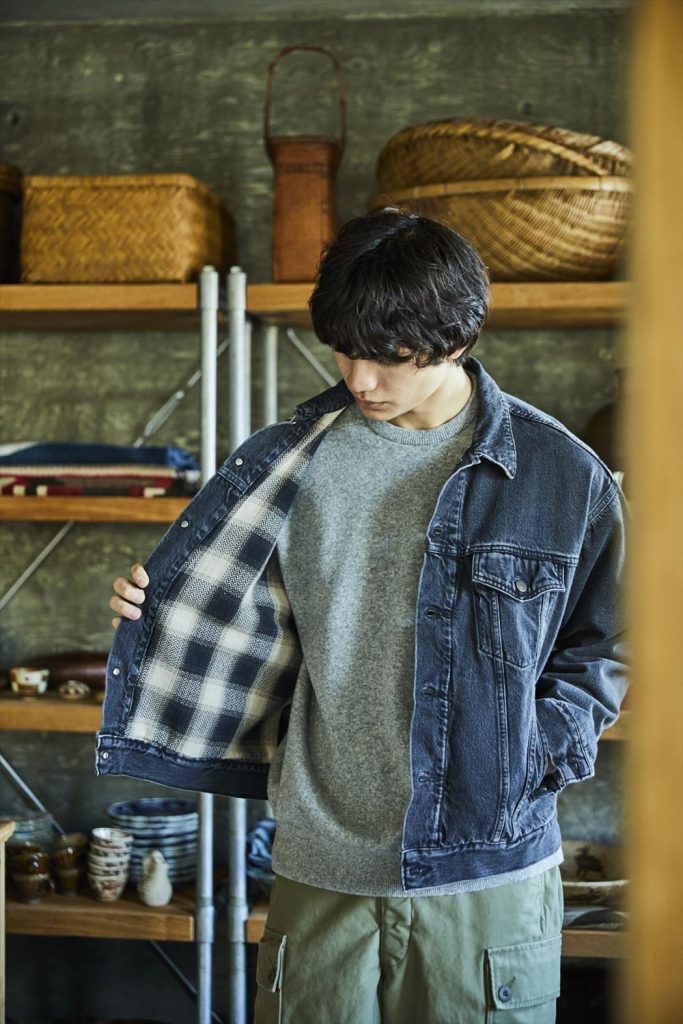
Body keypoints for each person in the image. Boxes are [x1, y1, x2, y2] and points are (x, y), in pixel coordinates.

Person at [103, 209, 628, 1024]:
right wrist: (155, 608)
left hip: (486, 870)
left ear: (456, 338)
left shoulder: (561, 475)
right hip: (320, 864)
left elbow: (608, 647)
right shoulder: (289, 460)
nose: (359, 378)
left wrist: (534, 754)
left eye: (389, 356)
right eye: (344, 350)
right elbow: (238, 616)